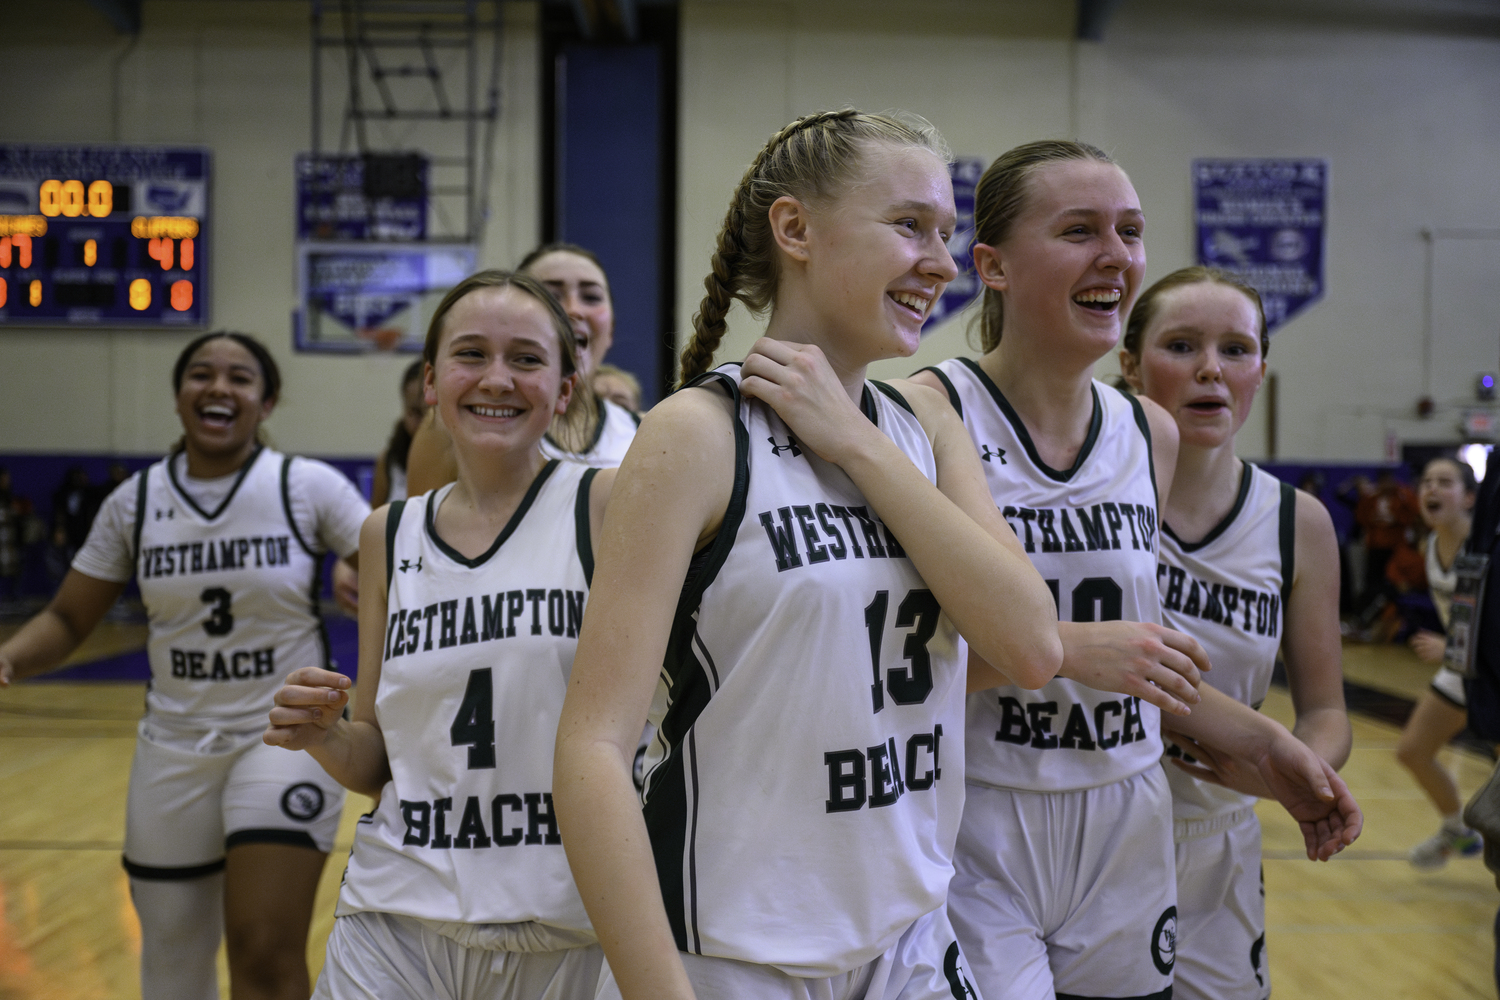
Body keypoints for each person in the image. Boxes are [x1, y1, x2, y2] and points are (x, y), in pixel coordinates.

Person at [553, 109, 1069, 1000]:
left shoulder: (924, 423)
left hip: (909, 944)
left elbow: (1030, 646)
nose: (942, 264)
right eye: (909, 226)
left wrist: (857, 443)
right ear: (794, 229)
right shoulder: (698, 435)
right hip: (733, 952)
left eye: (947, 234)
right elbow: (592, 748)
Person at [909, 140, 1360, 1000]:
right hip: (981, 818)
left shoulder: (1144, 432)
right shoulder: (930, 410)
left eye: (1130, 230)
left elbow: (1143, 660)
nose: (1116, 256)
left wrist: (1272, 745)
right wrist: (1062, 650)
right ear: (992, 266)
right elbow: (886, 665)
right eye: (1080, 230)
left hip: (1128, 816)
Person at [266, 270, 608, 1000]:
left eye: (526, 359)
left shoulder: (606, 506)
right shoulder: (387, 534)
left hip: (574, 923)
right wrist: (324, 735)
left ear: (566, 389)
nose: (497, 378)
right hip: (397, 918)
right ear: (430, 382)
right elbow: (376, 759)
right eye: (471, 354)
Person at [0, 331, 369, 1000]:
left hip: (283, 738)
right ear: (179, 397)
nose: (219, 388)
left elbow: (394, 568)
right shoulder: (135, 503)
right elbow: (67, 619)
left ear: (267, 402)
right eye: (201, 374)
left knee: (262, 949)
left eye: (239, 377)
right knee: (170, 965)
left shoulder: (306, 485)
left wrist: (353, 562)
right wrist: (7, 659)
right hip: (172, 746)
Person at [1119, 265, 1351, 1000]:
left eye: (1236, 350)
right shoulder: (1090, 493)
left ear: (1260, 371)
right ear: (1130, 367)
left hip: (1219, 844)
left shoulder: (1297, 523)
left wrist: (1297, 770)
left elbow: (1325, 710)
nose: (1211, 370)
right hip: (1095, 826)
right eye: (1182, 346)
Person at [405, 243, 638, 494]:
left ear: (611, 327)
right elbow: (420, 528)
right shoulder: (447, 428)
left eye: (591, 297)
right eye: (551, 295)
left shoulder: (645, 431)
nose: (573, 309)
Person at [1397, 454, 1483, 869]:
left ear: (1469, 498)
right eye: (1427, 481)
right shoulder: (1429, 545)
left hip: (1491, 671)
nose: (1431, 488)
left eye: (1444, 482)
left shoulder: (1487, 549)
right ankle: (1455, 830)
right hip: (1464, 667)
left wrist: (1449, 646)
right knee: (1413, 750)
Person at [370, 359, 427, 508]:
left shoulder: (459, 461)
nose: (424, 422)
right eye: (415, 412)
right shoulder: (388, 460)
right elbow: (374, 518)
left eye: (429, 412)